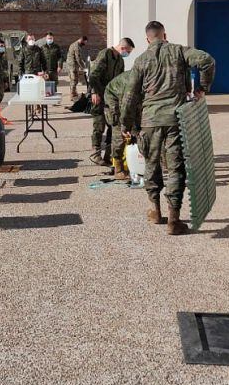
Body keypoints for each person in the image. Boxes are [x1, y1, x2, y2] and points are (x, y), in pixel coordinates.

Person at [122, 21, 215, 235]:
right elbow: (207, 61)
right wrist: (202, 87)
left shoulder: (141, 60)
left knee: (151, 164)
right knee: (175, 168)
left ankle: (154, 210)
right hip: (176, 119)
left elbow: (130, 96)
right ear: (165, 35)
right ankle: (174, 220)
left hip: (150, 121)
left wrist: (125, 124)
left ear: (147, 39)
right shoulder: (179, 51)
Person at [88, 37, 135, 166]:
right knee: (99, 124)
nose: (127, 54)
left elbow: (119, 79)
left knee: (113, 125)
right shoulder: (105, 54)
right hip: (99, 94)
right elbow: (93, 75)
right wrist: (94, 92)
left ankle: (109, 155)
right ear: (123, 48)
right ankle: (95, 153)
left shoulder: (119, 60)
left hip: (111, 97)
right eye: (128, 52)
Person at [103, 70, 134, 180]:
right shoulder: (132, 83)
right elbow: (126, 106)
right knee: (118, 133)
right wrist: (125, 126)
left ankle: (134, 164)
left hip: (126, 100)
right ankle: (118, 168)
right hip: (114, 99)